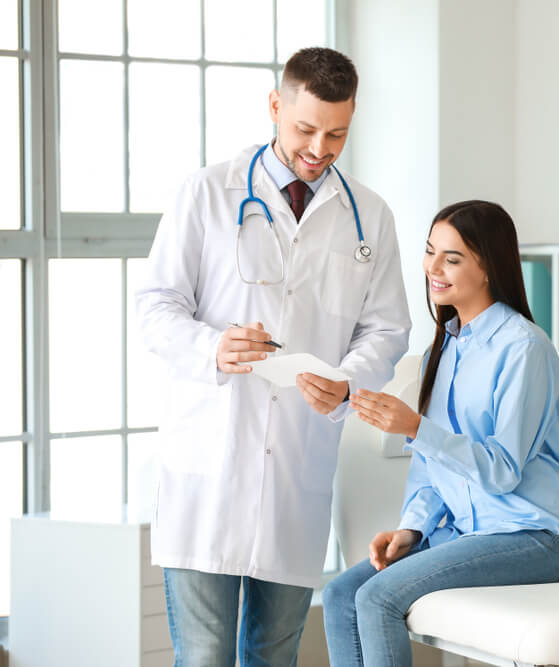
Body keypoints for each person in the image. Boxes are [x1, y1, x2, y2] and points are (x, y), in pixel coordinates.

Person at [135, 47, 411, 665]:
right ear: (275, 106)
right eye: (305, 129)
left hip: (296, 468)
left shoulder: (370, 216)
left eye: (337, 133)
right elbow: (154, 307)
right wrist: (214, 346)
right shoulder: (208, 192)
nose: (319, 148)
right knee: (204, 656)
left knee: (274, 655)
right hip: (209, 463)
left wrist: (347, 382)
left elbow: (388, 329)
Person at [322, 200, 559, 667]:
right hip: (467, 533)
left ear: (489, 268)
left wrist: (414, 427)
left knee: (378, 598)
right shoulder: (442, 351)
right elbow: (431, 468)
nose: (433, 268)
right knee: (343, 592)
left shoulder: (524, 349)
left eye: (453, 258)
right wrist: (412, 528)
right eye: (429, 252)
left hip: (537, 536)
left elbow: (502, 471)